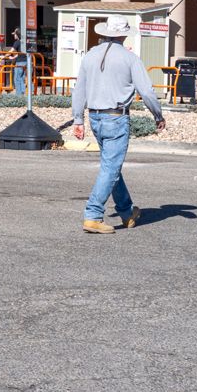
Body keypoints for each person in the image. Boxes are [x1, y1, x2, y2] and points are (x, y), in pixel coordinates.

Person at [71, 16, 166, 235]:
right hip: (116, 117)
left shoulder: (89, 57)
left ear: (104, 32)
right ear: (123, 34)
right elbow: (147, 91)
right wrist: (158, 115)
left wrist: (78, 119)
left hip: (95, 117)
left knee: (111, 166)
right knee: (110, 167)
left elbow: (79, 90)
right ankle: (93, 214)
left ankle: (126, 211)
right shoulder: (130, 58)